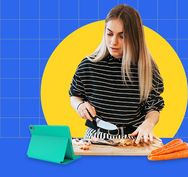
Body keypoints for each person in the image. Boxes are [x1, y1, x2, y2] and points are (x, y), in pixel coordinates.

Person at [69, 4, 164, 144]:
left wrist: (148, 124)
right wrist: (79, 105)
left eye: (122, 36)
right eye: (109, 33)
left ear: (135, 37)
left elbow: (153, 107)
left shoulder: (147, 69)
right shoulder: (88, 65)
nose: (114, 42)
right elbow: (74, 95)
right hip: (95, 138)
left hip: (134, 140)